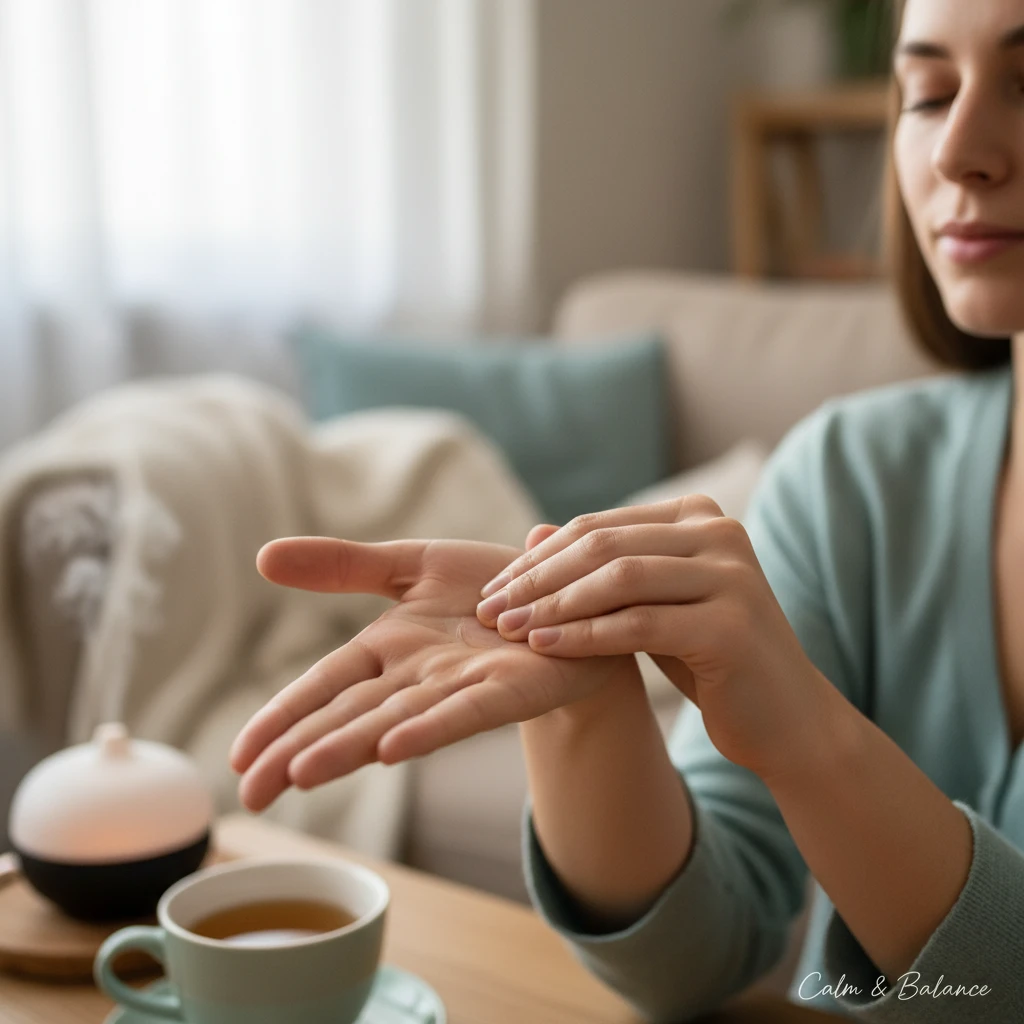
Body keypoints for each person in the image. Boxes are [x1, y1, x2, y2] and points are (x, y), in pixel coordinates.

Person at [229, 0, 1024, 1018]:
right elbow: (692, 957)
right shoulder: (846, 476)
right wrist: (585, 704)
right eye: (926, 92)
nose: (957, 150)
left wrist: (812, 739)